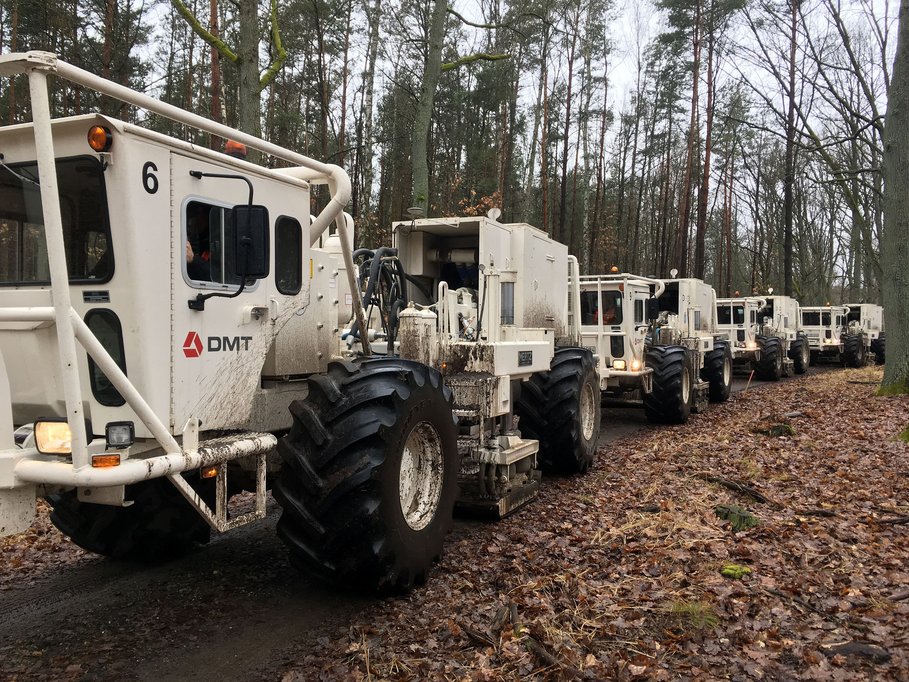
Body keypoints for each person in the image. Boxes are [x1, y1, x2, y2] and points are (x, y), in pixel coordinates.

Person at [186, 202, 211, 281]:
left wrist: (193, 259)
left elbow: (219, 275)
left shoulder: (221, 241)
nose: (195, 219)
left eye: (198, 214)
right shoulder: (197, 239)